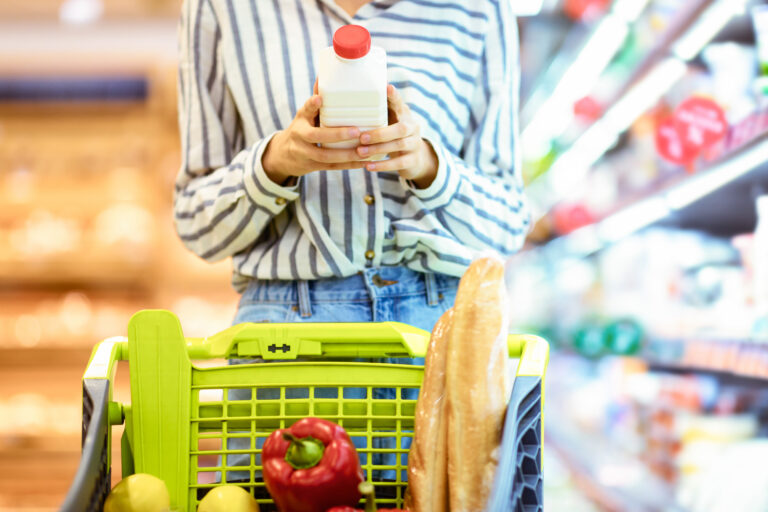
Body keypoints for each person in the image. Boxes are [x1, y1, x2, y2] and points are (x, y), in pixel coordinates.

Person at [175, 0, 529, 486]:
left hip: (438, 334)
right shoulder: (223, 8)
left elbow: (508, 225)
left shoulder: (478, 9)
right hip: (285, 341)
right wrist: (276, 161)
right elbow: (196, 222)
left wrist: (426, 165)